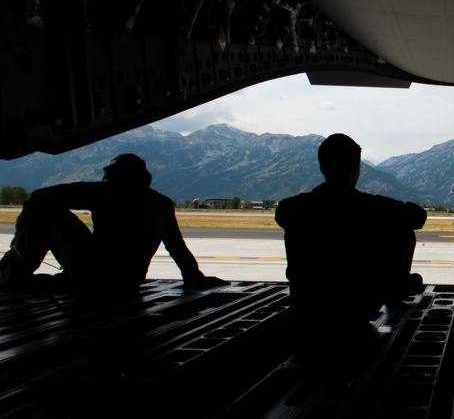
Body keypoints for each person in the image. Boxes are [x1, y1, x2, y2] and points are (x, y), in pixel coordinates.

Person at [0, 153, 225, 294]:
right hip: (129, 283)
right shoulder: (162, 204)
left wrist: (22, 231)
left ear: (114, 175)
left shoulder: (108, 192)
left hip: (94, 277)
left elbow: (39, 196)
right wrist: (196, 277)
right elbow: (178, 249)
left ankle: (11, 274)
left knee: (43, 210)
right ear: (146, 178)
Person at [275, 133, 427, 334]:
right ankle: (398, 288)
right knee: (403, 230)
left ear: (322, 168)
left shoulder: (290, 208)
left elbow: (284, 215)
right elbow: (417, 217)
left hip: (307, 307)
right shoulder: (374, 208)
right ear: (357, 169)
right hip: (357, 310)